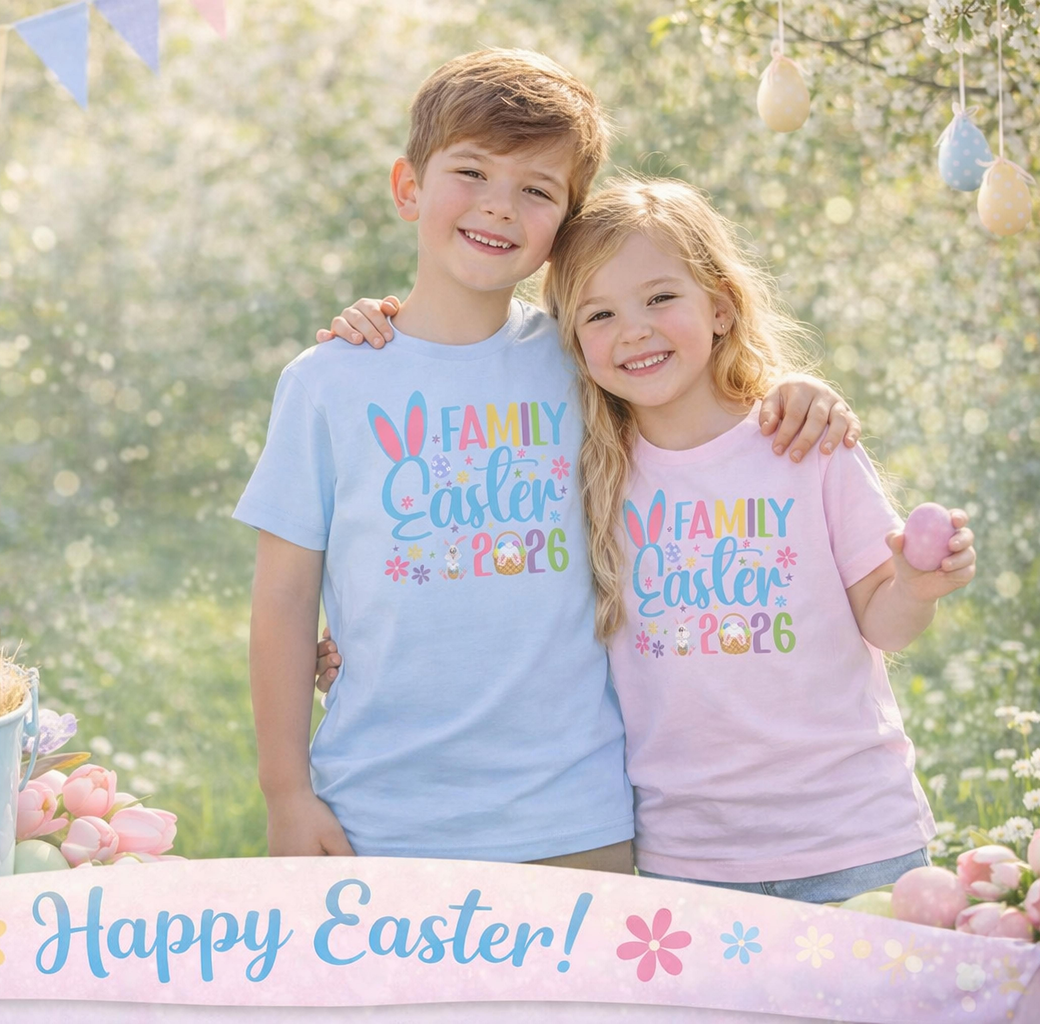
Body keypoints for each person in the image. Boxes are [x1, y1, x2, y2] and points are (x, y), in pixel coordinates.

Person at [235, 49, 853, 870]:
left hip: (575, 815)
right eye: (472, 172)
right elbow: (282, 600)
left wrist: (798, 391)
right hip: (377, 815)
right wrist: (286, 792)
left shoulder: (585, 356)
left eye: (537, 189)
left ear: (566, 227)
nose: (499, 205)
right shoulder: (327, 384)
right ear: (408, 187)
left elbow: (706, 410)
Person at [323, 175, 975, 901]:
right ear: (573, 343)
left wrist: (916, 586)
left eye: (660, 298)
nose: (633, 330)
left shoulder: (804, 443)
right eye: (600, 314)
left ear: (720, 306)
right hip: (687, 856)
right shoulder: (584, 465)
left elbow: (884, 621)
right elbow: (485, 563)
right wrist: (385, 329)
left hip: (854, 833)